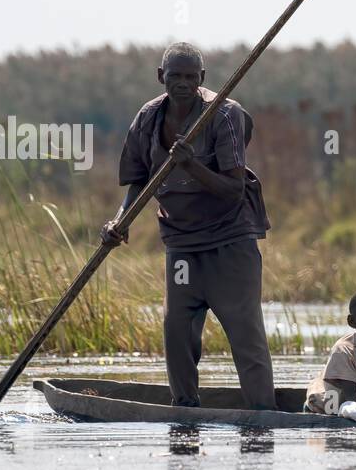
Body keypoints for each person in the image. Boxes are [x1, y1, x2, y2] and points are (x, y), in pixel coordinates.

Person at [100, 42, 275, 409]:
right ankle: (185, 411)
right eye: (174, 76)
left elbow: (233, 189)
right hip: (181, 243)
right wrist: (121, 220)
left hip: (230, 240)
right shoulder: (148, 118)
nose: (181, 83)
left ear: (202, 79)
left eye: (190, 77)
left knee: (245, 332)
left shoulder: (224, 115)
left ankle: (263, 415)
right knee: (177, 330)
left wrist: (192, 165)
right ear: (161, 77)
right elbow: (139, 181)